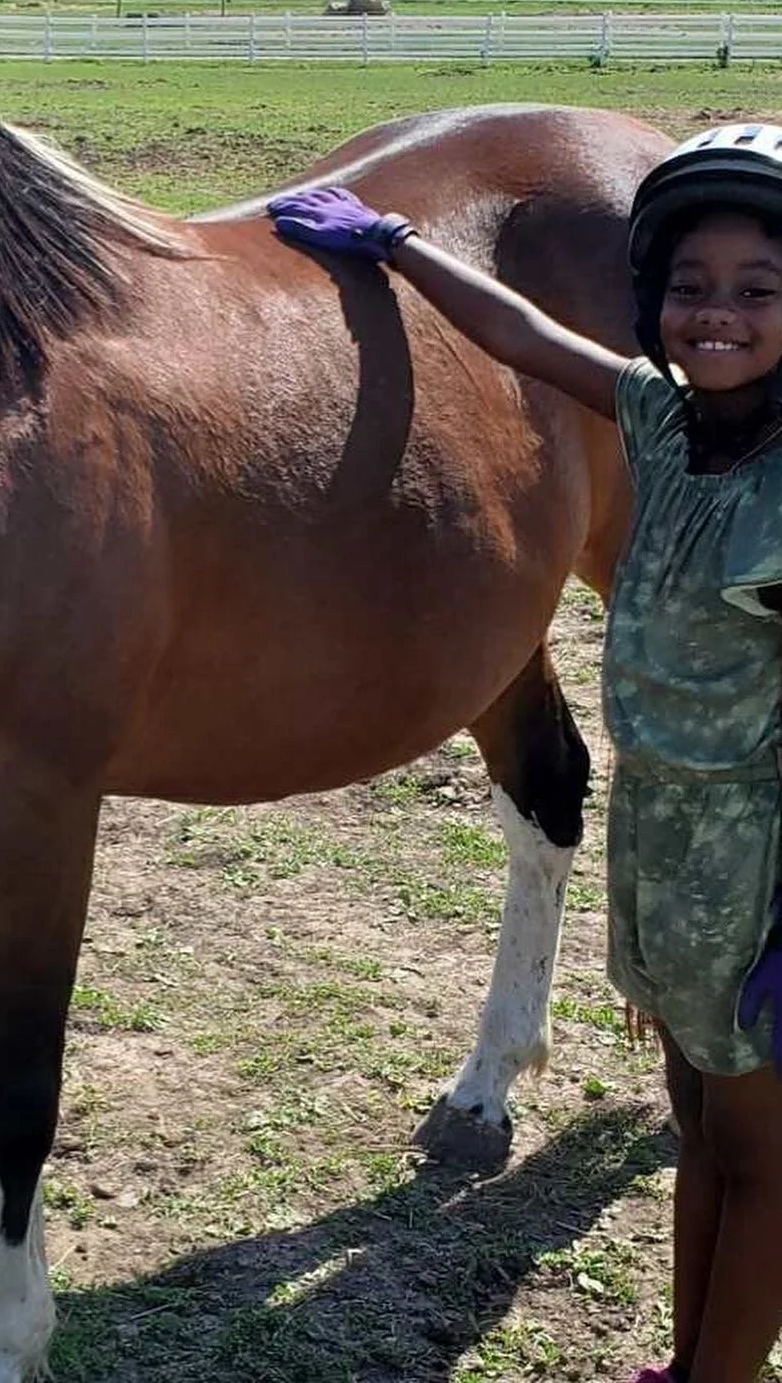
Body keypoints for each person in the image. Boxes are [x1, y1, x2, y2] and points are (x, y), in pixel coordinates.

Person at [268, 124, 782, 1383]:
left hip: (761, 873)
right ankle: (688, 1363)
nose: (715, 314)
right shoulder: (666, 421)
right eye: (690, 286)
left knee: (767, 1162)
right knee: (702, 1134)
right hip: (666, 851)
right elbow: (531, 340)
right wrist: (396, 246)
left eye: (758, 291)